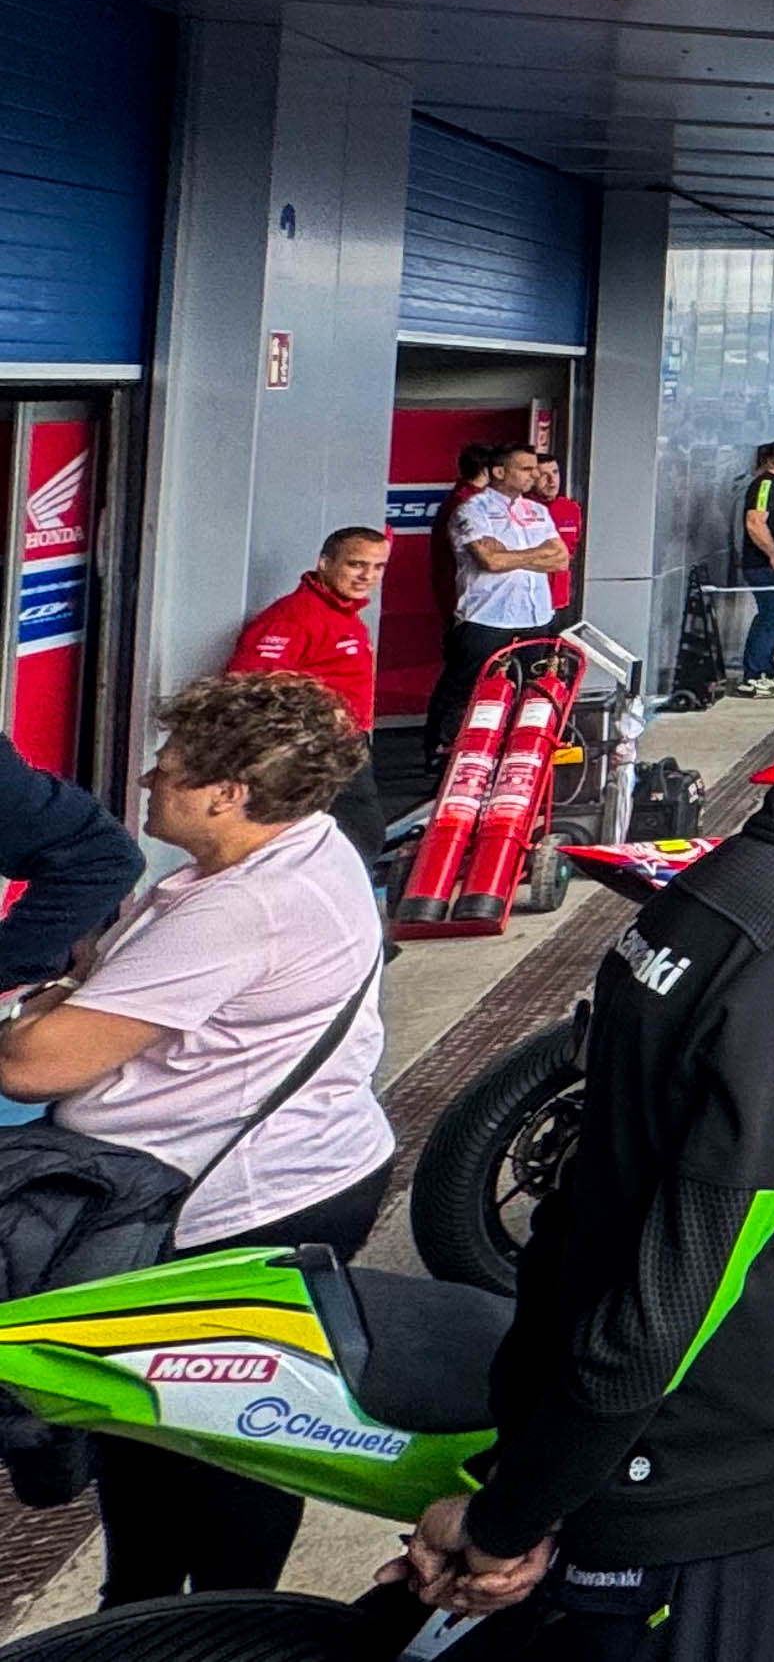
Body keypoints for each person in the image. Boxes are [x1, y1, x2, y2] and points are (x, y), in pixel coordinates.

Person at [405, 625, 774, 1645]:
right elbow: (697, 1265)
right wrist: (520, 1508)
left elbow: (598, 1180)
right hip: (730, 1496)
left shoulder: (724, 883)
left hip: (674, 1467)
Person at [0, 677, 387, 1602]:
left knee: (216, 1439)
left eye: (168, 771)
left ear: (229, 794)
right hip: (281, 1174)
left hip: (232, 1205)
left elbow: (31, 1064)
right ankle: (156, 1609)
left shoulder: (242, 908)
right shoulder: (295, 848)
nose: (146, 777)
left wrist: (39, 1013)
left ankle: (203, 1622)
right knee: (171, 1426)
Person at [225, 524, 389, 865]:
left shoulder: (344, 613)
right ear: (325, 563)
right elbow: (247, 682)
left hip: (345, 743)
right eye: (356, 564)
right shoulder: (294, 616)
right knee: (359, 833)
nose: (367, 576)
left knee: (352, 834)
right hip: (315, 749)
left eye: (377, 567)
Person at [429, 443, 571, 765]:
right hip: (484, 620)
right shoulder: (471, 509)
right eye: (526, 469)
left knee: (531, 692)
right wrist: (535, 556)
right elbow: (490, 560)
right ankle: (443, 757)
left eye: (536, 468)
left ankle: (515, 758)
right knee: (466, 694)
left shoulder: (538, 511)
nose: (534, 475)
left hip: (536, 618)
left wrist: (513, 557)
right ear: (499, 472)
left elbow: (560, 559)